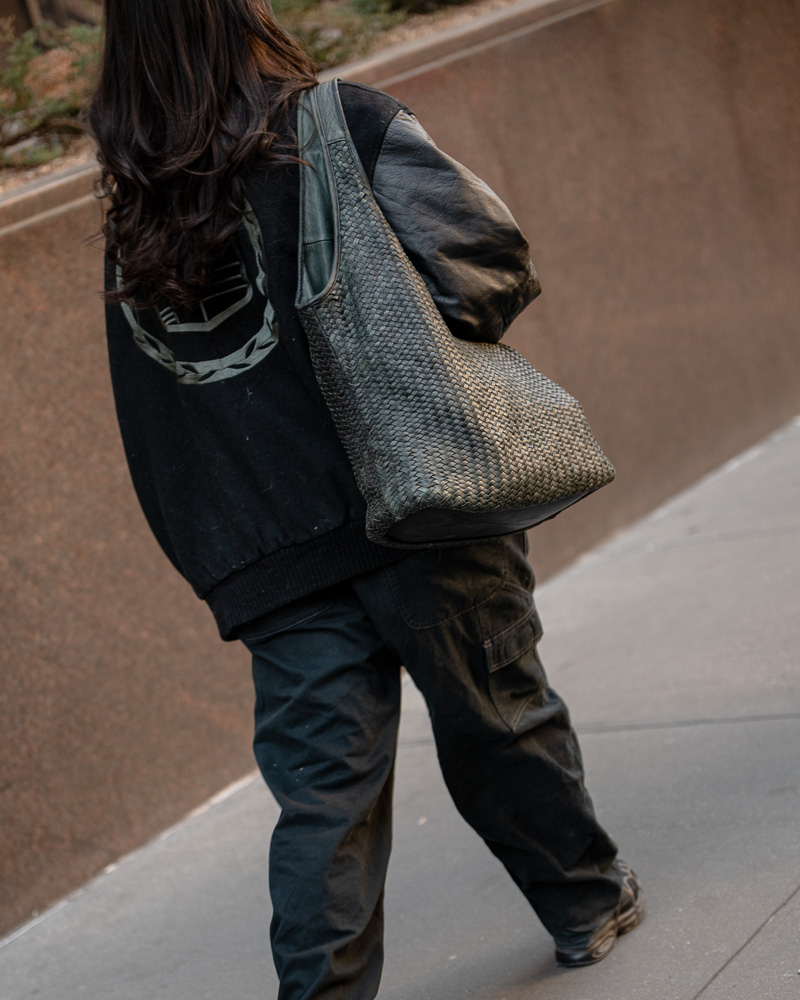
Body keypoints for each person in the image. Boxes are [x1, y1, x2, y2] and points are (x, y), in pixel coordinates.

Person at [89, 1, 644, 997]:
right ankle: (585, 903)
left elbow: (162, 405)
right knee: (499, 722)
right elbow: (487, 259)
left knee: (322, 802)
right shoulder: (340, 125)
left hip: (271, 553)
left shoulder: (135, 209)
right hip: (419, 498)